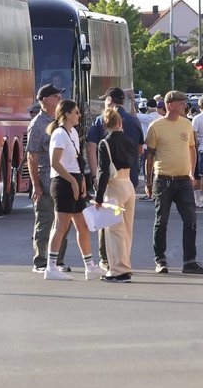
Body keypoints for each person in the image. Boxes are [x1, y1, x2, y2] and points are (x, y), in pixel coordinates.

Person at [144, 91, 203, 274]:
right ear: (170, 105)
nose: (185, 106)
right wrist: (148, 183)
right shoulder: (156, 126)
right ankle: (160, 260)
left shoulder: (187, 124)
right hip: (163, 180)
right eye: (182, 103)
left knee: (191, 220)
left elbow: (192, 149)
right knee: (161, 221)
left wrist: (191, 172)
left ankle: (189, 261)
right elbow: (149, 157)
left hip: (183, 180)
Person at [43, 99, 101, 281]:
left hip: (74, 178)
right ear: (67, 114)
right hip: (62, 182)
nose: (79, 115)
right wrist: (72, 181)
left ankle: (90, 266)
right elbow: (55, 162)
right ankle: (51, 267)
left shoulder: (73, 132)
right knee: (62, 224)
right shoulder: (59, 134)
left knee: (82, 225)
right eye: (76, 112)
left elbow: (74, 160)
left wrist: (81, 179)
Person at [26, 84, 69, 272]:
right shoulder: (37, 124)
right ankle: (41, 261)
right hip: (45, 180)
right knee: (45, 221)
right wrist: (35, 185)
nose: (60, 98)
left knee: (62, 222)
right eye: (56, 95)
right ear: (45, 100)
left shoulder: (60, 121)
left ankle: (57, 260)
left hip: (61, 179)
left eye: (60, 95)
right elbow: (31, 157)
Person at [93, 108, 138, 282]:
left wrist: (98, 197)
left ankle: (118, 270)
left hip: (114, 187)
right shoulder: (129, 141)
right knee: (127, 230)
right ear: (120, 123)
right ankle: (126, 264)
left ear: (105, 124)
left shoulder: (105, 143)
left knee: (114, 231)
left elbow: (103, 171)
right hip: (128, 185)